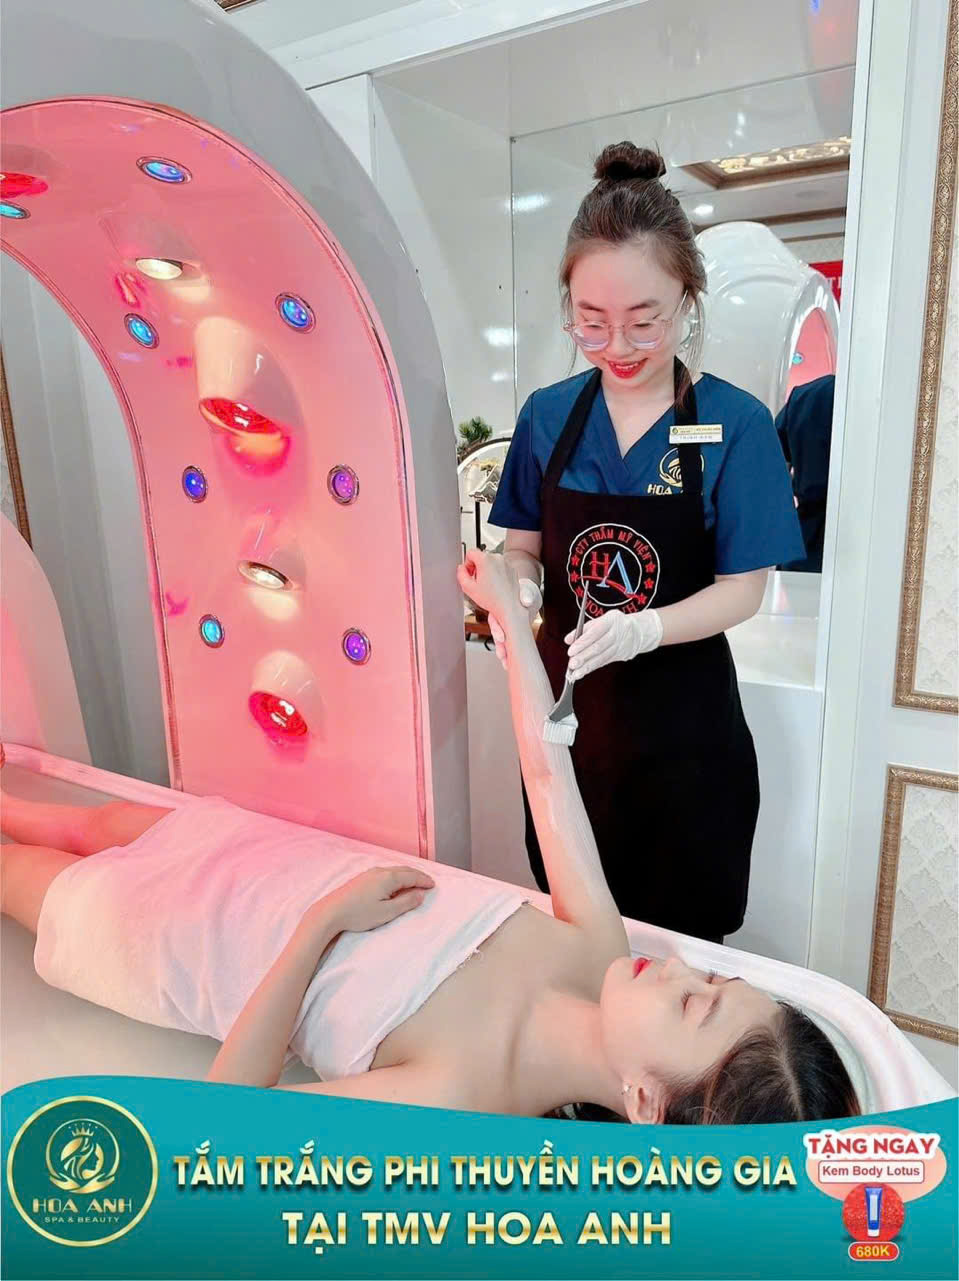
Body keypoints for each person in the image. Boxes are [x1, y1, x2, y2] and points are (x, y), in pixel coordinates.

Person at [1, 552, 856, 1124]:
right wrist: (509, 620)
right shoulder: (595, 948)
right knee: (73, 816)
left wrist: (323, 926)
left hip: (171, 936)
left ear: (642, 1101)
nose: (676, 967)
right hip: (252, 851)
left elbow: (231, 1127)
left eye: (691, 1003)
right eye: (710, 976)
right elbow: (547, 774)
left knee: (14, 867)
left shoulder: (462, 1093)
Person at [488, 141, 805, 944]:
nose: (617, 348)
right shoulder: (547, 416)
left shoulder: (734, 424)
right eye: (590, 323)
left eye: (643, 321)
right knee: (575, 935)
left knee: (678, 955)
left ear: (686, 301)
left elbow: (744, 588)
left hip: (685, 741)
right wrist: (518, 587)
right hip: (568, 729)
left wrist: (645, 627)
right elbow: (522, 545)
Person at [775, 374, 835, 573]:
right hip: (855, 532)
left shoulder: (803, 397)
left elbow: (774, 462)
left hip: (804, 536)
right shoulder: (875, 400)